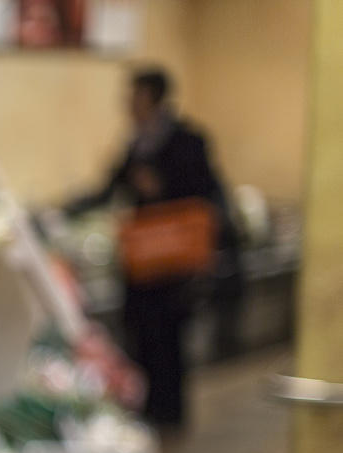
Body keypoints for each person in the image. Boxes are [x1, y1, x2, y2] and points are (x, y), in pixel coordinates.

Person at [67, 67, 242, 428]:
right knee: (141, 332)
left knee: (170, 339)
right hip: (143, 260)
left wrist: (161, 188)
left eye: (135, 95)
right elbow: (109, 187)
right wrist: (68, 208)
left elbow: (205, 192)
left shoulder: (187, 140)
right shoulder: (136, 142)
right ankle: (147, 410)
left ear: (153, 98)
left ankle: (171, 413)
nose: (128, 103)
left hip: (174, 262)